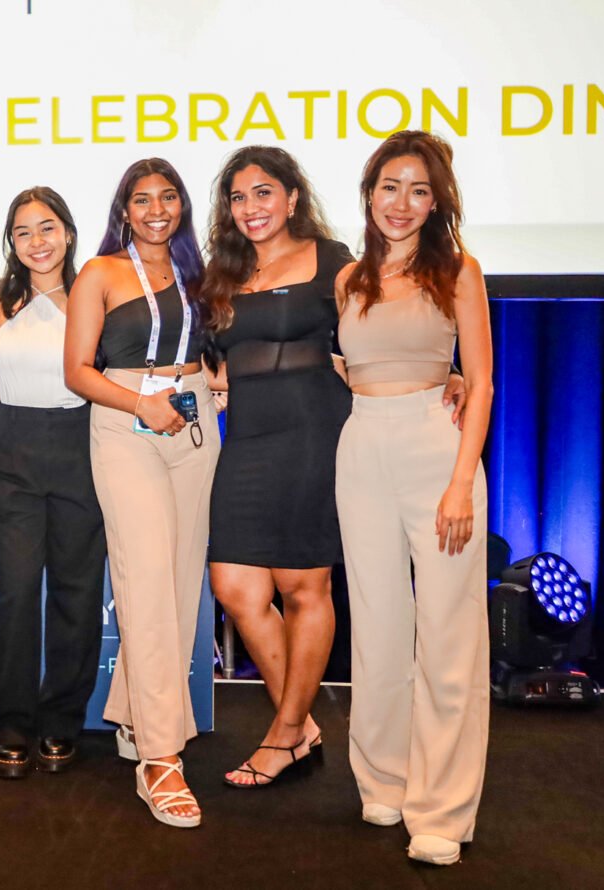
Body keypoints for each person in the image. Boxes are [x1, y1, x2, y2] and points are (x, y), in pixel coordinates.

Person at [333, 130, 493, 866]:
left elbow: (479, 382)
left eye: (418, 190)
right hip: (362, 446)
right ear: (370, 193)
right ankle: (385, 778)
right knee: (377, 626)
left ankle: (442, 809)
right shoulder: (349, 278)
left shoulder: (458, 271)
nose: (401, 203)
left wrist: (461, 480)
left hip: (437, 450)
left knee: (449, 633)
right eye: (389, 186)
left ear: (436, 203)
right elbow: (352, 365)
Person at [64, 158, 219, 829]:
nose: (157, 210)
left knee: (180, 586)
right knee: (147, 579)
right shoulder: (100, 273)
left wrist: (216, 380)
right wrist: (140, 403)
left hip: (194, 418)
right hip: (126, 419)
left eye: (168, 197)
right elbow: (76, 371)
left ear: (182, 205)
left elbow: (216, 349)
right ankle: (160, 757)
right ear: (123, 210)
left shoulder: (197, 273)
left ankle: (136, 717)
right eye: (142, 199)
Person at [199, 146, 354, 787]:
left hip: (313, 432)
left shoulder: (331, 259)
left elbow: (381, 324)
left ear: (292, 197)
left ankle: (287, 732)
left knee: (303, 586)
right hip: (248, 438)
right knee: (235, 586)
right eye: (238, 197)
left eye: (263, 192)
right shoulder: (221, 273)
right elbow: (214, 361)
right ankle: (301, 726)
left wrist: (445, 373)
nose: (251, 207)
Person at [0, 187, 105, 779]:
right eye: (23, 231)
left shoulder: (96, 294)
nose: (37, 241)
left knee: (77, 591)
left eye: (48, 227)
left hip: (82, 443)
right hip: (13, 446)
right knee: (15, 592)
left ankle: (62, 720)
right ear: (11, 241)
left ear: (69, 233)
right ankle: (9, 725)